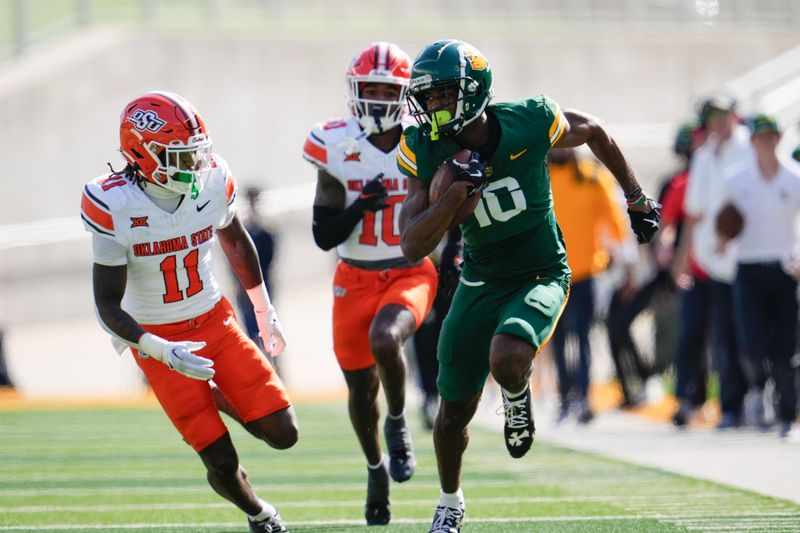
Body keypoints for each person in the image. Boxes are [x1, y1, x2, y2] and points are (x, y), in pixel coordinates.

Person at [397, 39, 660, 533]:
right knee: (453, 410)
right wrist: (450, 201)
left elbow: (596, 132)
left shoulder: (530, 119)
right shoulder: (426, 149)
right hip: (479, 279)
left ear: (473, 93)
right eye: (426, 96)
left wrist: (636, 197)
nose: (431, 105)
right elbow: (411, 244)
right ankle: (450, 502)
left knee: (508, 356)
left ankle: (517, 395)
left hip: (541, 269)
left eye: (441, 95)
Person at [82, 91, 296, 533]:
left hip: (215, 320)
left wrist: (264, 310)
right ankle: (259, 513)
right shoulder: (114, 204)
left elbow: (235, 241)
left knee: (282, 431)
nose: (194, 167)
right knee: (220, 459)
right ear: (142, 153)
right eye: (179, 157)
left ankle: (215, 391)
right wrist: (160, 351)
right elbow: (106, 306)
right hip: (157, 338)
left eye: (196, 154)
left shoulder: (214, 180)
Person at [302, 42, 437, 526]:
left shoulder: (424, 139)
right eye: (370, 89)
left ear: (404, 94)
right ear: (355, 92)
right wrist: (361, 206)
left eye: (388, 90)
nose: (379, 99)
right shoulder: (337, 145)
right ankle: (376, 469)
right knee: (360, 394)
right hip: (353, 278)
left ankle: (399, 421)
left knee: (388, 338)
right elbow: (323, 235)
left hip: (409, 268)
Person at [719, 114, 800, 438]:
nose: (767, 142)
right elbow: (723, 222)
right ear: (751, 141)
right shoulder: (736, 179)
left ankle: (786, 417)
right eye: (761, 137)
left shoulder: (795, 178)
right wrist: (722, 240)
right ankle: (757, 386)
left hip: (783, 268)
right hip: (748, 267)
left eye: (772, 136)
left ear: (779, 139)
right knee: (751, 344)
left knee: (786, 350)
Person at [675, 94, 753, 429]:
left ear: (736, 116)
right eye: (712, 117)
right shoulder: (704, 157)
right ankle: (733, 405)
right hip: (714, 265)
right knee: (724, 335)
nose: (718, 122)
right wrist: (683, 257)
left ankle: (759, 398)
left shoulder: (751, 150)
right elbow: (694, 214)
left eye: (724, 115)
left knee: (751, 336)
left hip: (749, 258)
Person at [547, 147, 637, 422]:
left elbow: (616, 223)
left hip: (585, 272)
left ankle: (582, 398)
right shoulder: (540, 177)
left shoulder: (592, 177)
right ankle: (565, 396)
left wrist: (628, 265)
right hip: (550, 273)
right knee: (557, 339)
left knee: (582, 335)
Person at [412, 227, 462, 429]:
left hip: (452, 266)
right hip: (424, 269)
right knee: (425, 334)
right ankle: (430, 394)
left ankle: (450, 392)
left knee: (451, 332)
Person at [235, 187, 279, 369]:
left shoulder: (266, 231)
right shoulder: (242, 231)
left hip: (263, 289)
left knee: (269, 331)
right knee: (251, 333)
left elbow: (268, 262)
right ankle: (258, 368)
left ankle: (273, 367)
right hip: (245, 290)